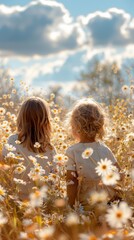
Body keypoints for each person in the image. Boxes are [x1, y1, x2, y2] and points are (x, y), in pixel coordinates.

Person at [66, 98, 121, 209]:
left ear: (74, 125)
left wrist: (70, 207)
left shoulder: (72, 151)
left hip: (85, 205)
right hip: (107, 203)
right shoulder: (104, 149)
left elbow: (71, 182)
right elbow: (118, 173)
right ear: (100, 125)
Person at [2, 97, 56, 199]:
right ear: (46, 121)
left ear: (20, 118)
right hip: (41, 203)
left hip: (15, 200)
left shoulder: (12, 141)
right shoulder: (50, 148)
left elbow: (3, 170)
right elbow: (54, 178)